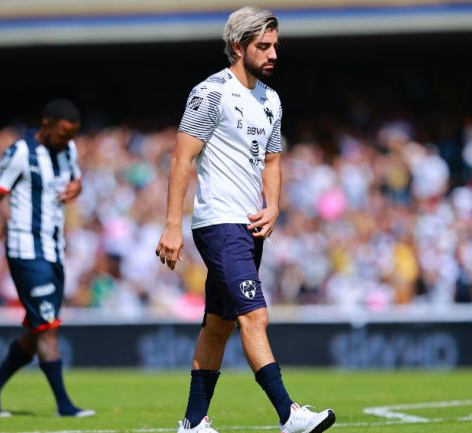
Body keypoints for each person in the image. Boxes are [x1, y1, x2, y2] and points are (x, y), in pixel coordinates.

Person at [155, 7, 335, 433]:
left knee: (218, 324)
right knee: (254, 316)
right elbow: (182, 160)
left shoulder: (270, 99)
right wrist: (171, 224)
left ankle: (193, 423)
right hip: (218, 222)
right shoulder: (209, 92)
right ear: (238, 47)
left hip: (250, 225)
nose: (273, 54)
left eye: (276, 45)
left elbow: (272, 161)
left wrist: (273, 205)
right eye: (263, 46)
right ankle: (289, 415)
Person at [0, 99, 94, 418]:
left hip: (54, 250)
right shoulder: (20, 153)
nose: (68, 141)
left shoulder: (68, 150)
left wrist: (75, 189)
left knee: (39, 327)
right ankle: (65, 406)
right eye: (63, 133)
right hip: (25, 251)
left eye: (73, 135)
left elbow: (76, 179)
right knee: (48, 328)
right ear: (46, 125)